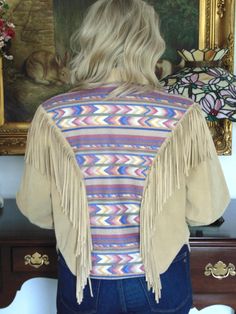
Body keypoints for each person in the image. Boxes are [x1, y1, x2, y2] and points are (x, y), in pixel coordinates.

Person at [16, 0, 230, 313]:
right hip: (160, 277)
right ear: (149, 44)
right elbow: (206, 210)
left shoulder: (52, 115)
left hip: (84, 281)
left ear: (90, 40)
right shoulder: (183, 115)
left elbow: (36, 210)